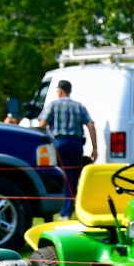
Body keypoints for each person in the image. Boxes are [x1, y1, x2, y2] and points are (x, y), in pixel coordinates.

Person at [36, 79, 98, 219]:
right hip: (76, 144)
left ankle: (65, 212)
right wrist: (95, 148)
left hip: (60, 143)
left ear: (60, 91)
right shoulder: (79, 106)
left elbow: (42, 124)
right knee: (74, 177)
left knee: (65, 177)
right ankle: (71, 207)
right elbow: (91, 126)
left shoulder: (54, 105)